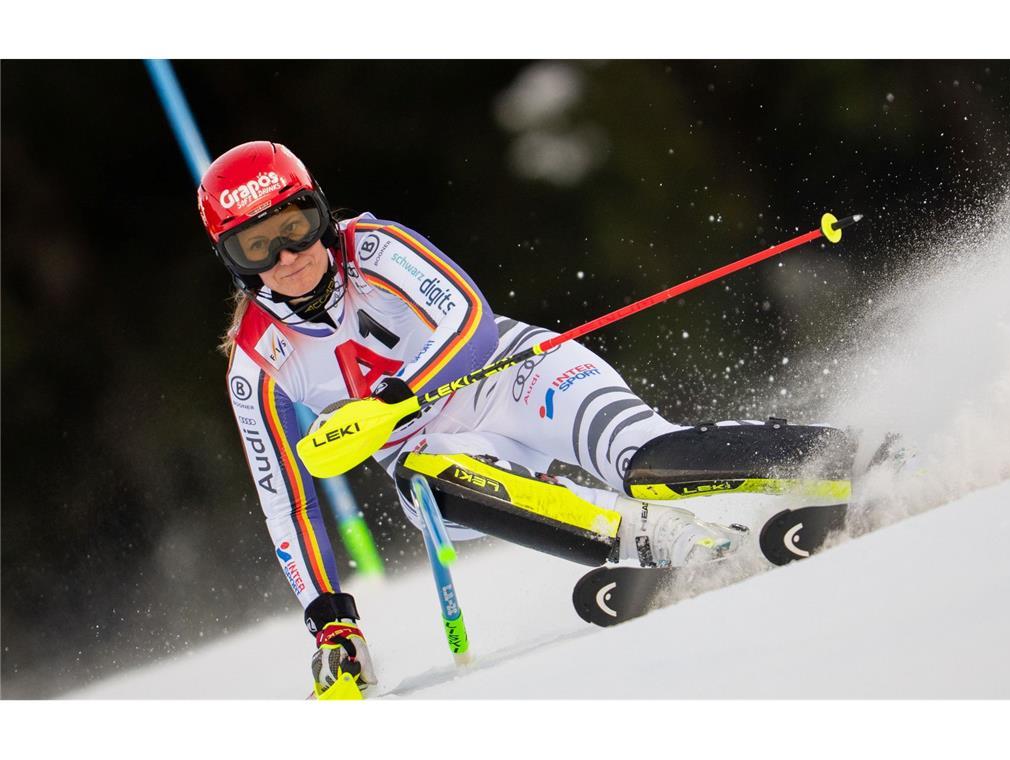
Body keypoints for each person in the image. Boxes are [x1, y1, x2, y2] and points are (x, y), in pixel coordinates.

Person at [199, 141, 854, 696]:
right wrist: (333, 625)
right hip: (436, 450)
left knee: (651, 462)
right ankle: (683, 544)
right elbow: (288, 504)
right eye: (258, 247)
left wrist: (397, 398)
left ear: (320, 210)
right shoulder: (255, 364)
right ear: (234, 262)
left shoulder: (375, 247)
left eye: (296, 225)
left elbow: (469, 321)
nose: (288, 257)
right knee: (430, 482)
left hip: (515, 373)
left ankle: (842, 457)